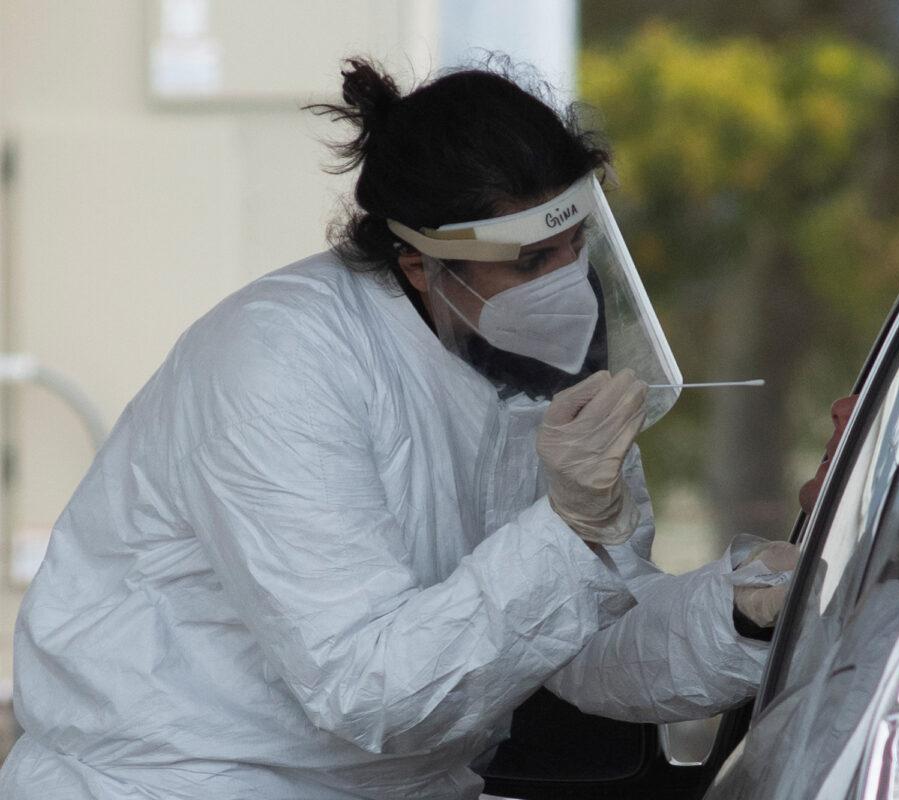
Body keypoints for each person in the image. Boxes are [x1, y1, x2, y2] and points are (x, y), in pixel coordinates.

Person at [0, 60, 819, 800]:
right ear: (419, 263)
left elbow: (583, 648)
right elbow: (371, 693)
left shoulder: (541, 365)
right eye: (529, 263)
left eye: (575, 247)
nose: (566, 287)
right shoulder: (282, 362)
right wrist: (568, 531)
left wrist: (740, 611)